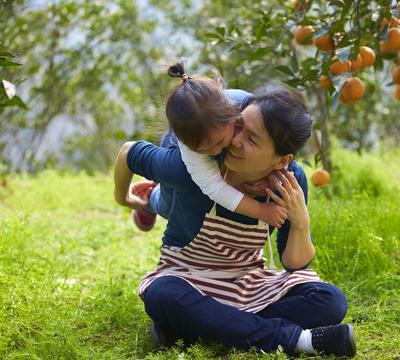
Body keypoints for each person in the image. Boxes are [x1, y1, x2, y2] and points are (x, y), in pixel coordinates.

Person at [114, 87, 356, 358]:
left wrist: (300, 222)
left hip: (247, 281)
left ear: (282, 160)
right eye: (238, 127)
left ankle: (194, 326)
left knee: (331, 301)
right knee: (162, 294)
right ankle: (298, 340)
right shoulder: (190, 168)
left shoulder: (289, 183)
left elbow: (294, 264)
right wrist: (123, 198)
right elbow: (128, 152)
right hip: (188, 277)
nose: (234, 141)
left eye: (252, 139)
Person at [131, 60, 287, 232]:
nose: (214, 152)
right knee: (170, 206)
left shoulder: (249, 109)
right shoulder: (186, 146)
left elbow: (278, 140)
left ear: (233, 114)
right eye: (204, 150)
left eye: (219, 143)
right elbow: (214, 187)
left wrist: (271, 173)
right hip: (178, 147)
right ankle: (150, 199)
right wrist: (260, 211)